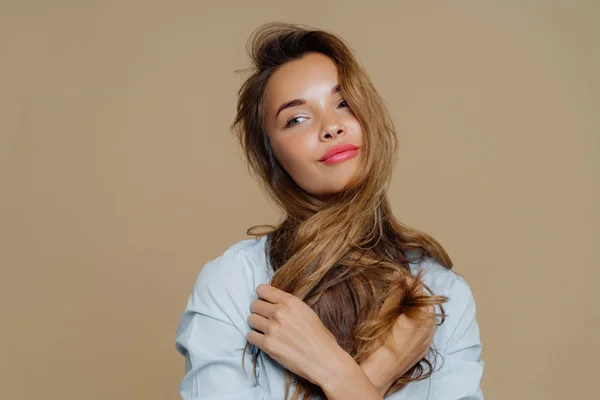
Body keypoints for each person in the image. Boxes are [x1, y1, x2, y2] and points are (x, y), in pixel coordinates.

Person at [175, 22, 484, 400]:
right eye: (297, 119)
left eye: (344, 103)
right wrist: (374, 369)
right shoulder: (234, 285)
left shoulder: (441, 292)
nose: (331, 127)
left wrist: (337, 373)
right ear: (271, 154)